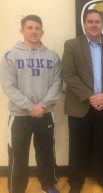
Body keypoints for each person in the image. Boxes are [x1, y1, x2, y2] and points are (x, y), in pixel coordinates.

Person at [0, 15, 62, 193]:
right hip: (20, 116)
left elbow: (57, 84)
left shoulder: (53, 57)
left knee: (46, 153)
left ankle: (48, 184)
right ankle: (16, 189)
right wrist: (30, 107)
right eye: (30, 27)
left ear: (42, 31)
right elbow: (8, 87)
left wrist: (42, 106)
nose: (34, 31)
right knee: (18, 155)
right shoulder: (10, 56)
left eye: (37, 28)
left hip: (45, 113)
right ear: (22, 30)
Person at [62, 9, 103, 193]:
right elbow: (68, 75)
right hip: (80, 105)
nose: (94, 25)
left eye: (97, 22)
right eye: (90, 21)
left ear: (102, 25)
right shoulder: (71, 45)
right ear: (84, 24)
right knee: (77, 146)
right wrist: (91, 96)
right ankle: (76, 182)